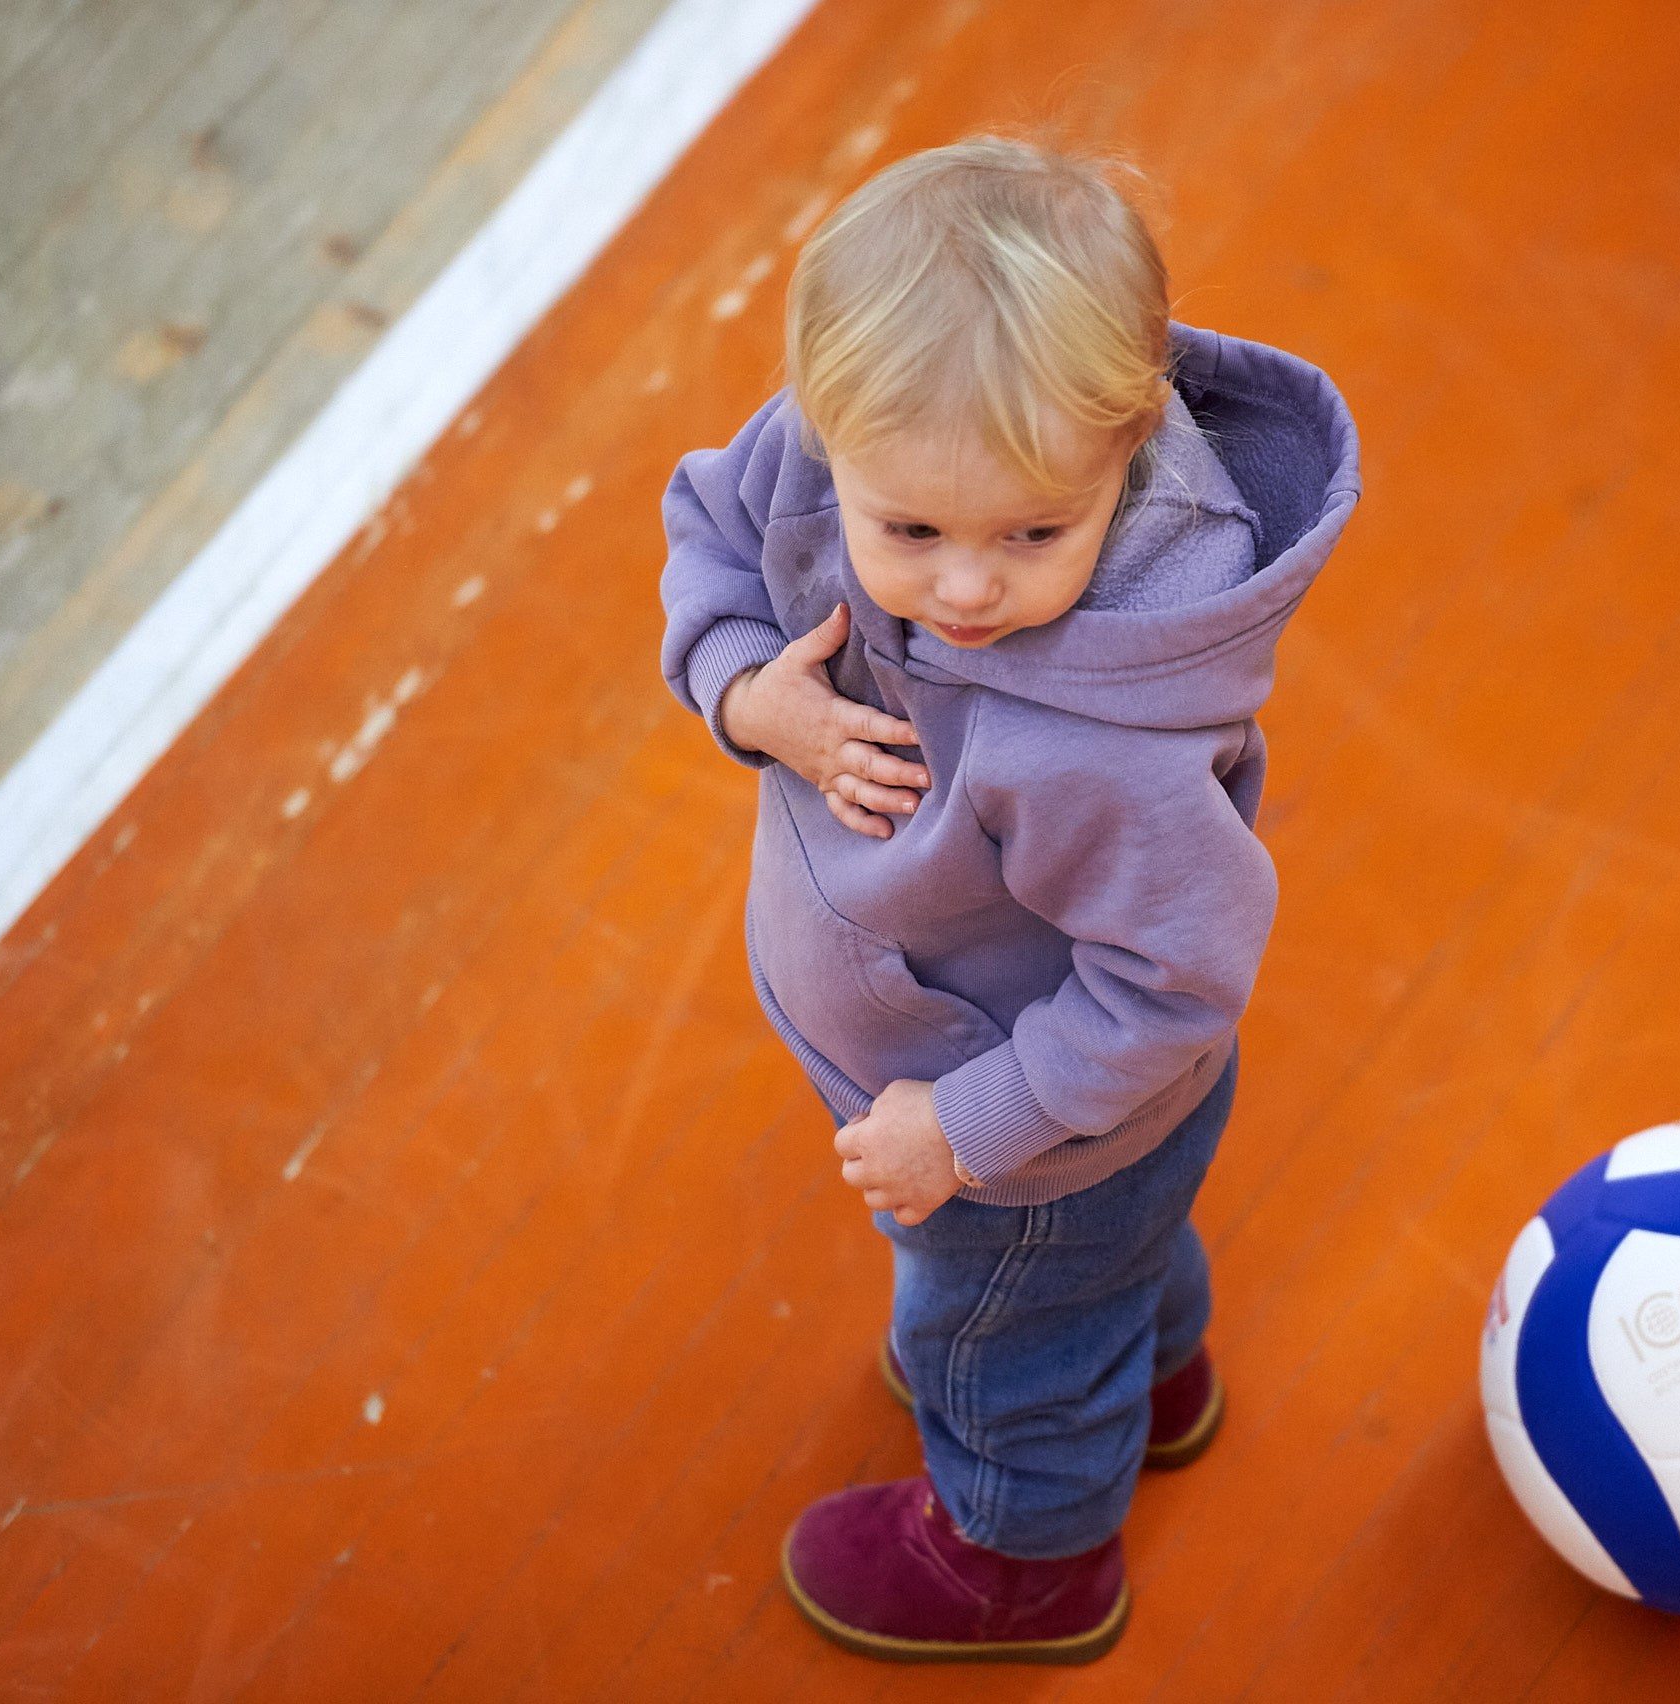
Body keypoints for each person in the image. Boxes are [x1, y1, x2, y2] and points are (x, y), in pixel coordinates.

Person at [657, 135, 1359, 1665]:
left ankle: (1028, 1563)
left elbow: (1168, 992)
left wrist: (960, 1130)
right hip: (1046, 1096)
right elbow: (708, 523)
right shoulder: (857, 445)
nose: (965, 588)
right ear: (839, 438)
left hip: (1034, 1127)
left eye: (1033, 535)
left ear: (1132, 446)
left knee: (993, 1331)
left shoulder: (1098, 745)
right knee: (1113, 1261)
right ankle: (1154, 1377)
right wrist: (743, 694)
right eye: (909, 533)